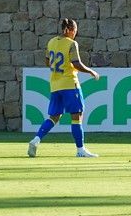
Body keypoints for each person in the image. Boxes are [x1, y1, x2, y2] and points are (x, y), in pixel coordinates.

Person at [28, 18, 100, 158]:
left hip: (55, 85)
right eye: (75, 31)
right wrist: (91, 71)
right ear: (71, 30)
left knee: (54, 117)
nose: (75, 33)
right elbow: (76, 63)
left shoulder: (51, 42)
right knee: (77, 116)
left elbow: (47, 61)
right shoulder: (72, 44)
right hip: (69, 83)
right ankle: (80, 150)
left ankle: (35, 140)